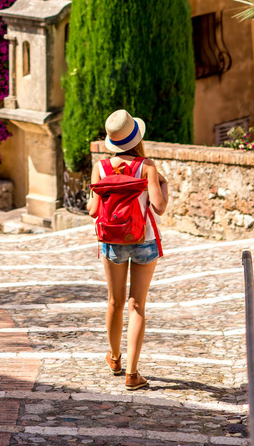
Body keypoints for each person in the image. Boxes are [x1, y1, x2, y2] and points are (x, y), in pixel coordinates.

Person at [87, 108, 169, 391]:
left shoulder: (100, 168)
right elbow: (158, 207)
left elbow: (93, 211)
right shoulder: (148, 167)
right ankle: (132, 375)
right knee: (137, 305)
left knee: (115, 301)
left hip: (112, 240)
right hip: (143, 239)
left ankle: (114, 358)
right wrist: (162, 187)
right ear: (136, 137)